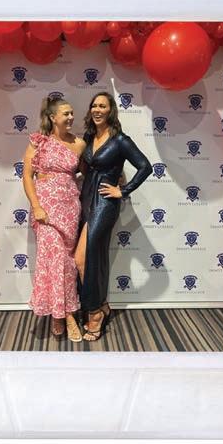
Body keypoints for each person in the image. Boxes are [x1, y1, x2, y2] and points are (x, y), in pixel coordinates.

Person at [74, 92, 153, 341]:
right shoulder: (89, 137)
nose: (97, 110)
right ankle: (101, 304)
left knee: (83, 258)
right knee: (92, 257)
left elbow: (145, 166)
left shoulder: (120, 140)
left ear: (111, 111)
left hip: (105, 204)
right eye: (94, 105)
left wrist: (123, 190)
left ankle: (95, 313)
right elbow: (83, 167)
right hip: (85, 199)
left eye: (103, 106)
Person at [23, 97, 86, 342]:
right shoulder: (39, 141)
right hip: (46, 209)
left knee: (67, 263)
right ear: (52, 117)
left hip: (70, 207)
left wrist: (116, 179)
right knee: (55, 259)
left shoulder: (79, 144)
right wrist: (36, 206)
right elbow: (27, 176)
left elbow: (87, 173)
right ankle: (67, 316)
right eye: (65, 114)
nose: (71, 117)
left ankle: (57, 313)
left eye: (72, 113)